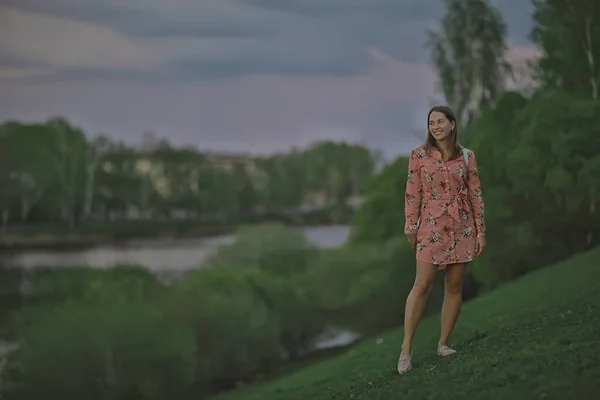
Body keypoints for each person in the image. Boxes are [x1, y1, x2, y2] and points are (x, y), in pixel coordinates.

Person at [397, 105, 486, 374]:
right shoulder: (419, 156)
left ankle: (444, 343)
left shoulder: (467, 157)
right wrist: (411, 228)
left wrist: (481, 231)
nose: (435, 126)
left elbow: (476, 195)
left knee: (455, 285)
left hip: (462, 228)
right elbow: (412, 194)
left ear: (452, 125)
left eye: (440, 121)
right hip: (430, 227)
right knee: (422, 285)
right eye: (431, 122)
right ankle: (406, 349)